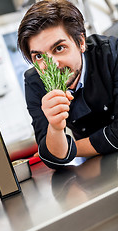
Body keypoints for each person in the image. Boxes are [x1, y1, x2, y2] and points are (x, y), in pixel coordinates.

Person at [18, 0, 118, 169]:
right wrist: (55, 129)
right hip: (93, 168)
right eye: (39, 57)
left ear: (81, 42)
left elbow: (54, 153)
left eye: (59, 48)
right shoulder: (35, 82)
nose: (53, 65)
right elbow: (52, 158)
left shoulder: (111, 53)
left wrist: (68, 149)